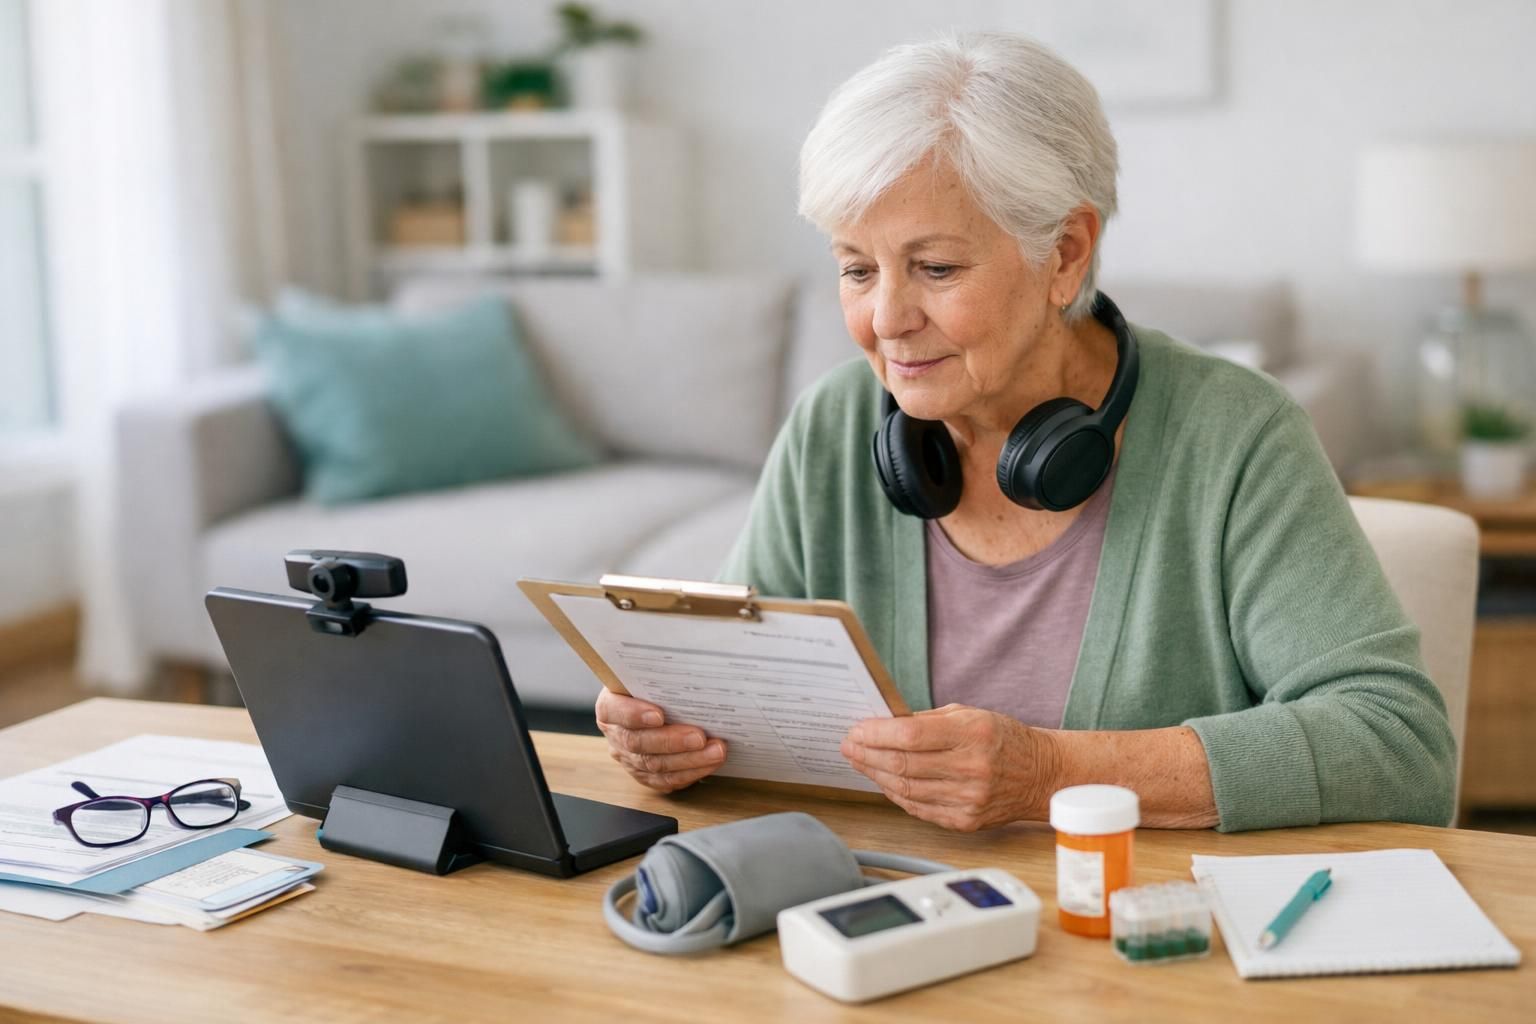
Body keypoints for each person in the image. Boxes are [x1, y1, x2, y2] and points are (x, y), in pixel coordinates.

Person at [594, 31, 1456, 832]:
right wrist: (669, 728)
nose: (886, 320)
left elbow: (1397, 745)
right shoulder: (834, 424)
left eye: (935, 268)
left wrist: (1052, 771)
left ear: (1068, 252)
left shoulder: (1234, 434)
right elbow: (738, 689)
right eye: (857, 268)